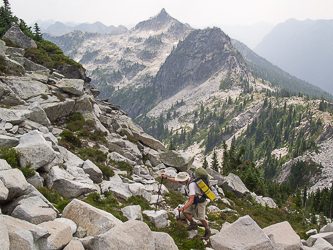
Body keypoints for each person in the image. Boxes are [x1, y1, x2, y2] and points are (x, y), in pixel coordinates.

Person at [161, 172, 211, 240]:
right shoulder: (187, 181)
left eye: (180, 181)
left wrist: (183, 208)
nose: (179, 182)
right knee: (185, 212)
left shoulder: (191, 185)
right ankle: (193, 225)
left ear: (184, 180)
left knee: (201, 218)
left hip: (199, 202)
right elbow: (176, 181)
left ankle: (208, 231)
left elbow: (191, 200)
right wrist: (166, 178)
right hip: (195, 200)